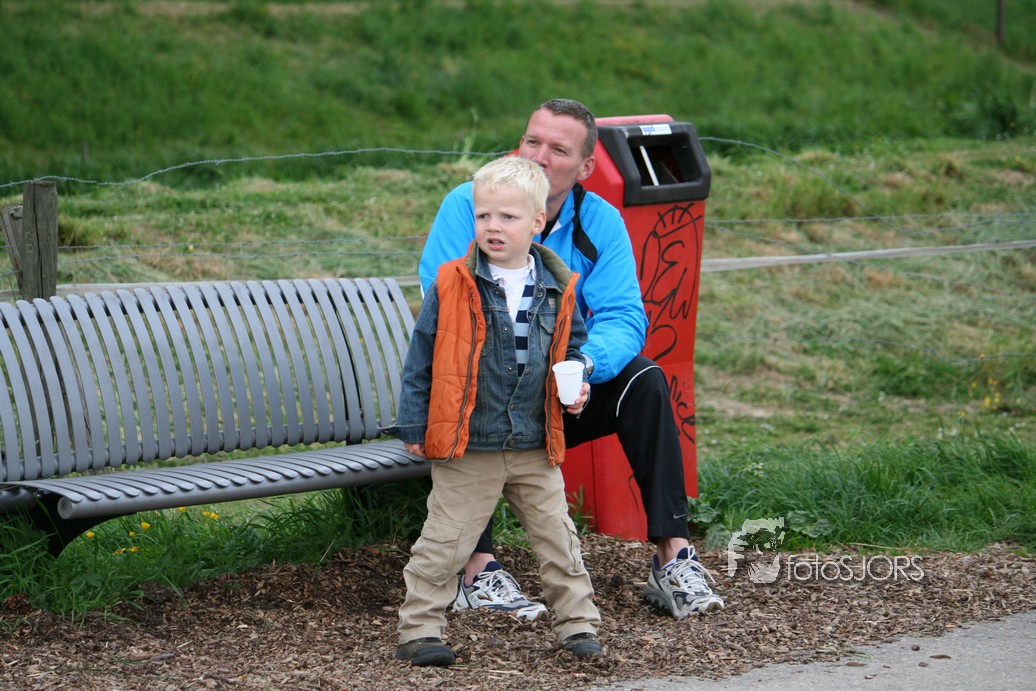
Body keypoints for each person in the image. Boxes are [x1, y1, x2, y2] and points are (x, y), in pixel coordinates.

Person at [418, 98, 725, 621]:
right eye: (532, 141)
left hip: (558, 397)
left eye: (558, 150)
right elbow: (445, 302)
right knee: (469, 385)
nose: (539, 157)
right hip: (481, 389)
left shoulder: (599, 219)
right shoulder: (466, 204)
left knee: (645, 380)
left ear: (585, 168)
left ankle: (673, 556)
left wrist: (582, 365)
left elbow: (624, 317)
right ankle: (476, 571)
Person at [388, 156, 603, 667]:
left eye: (507, 217)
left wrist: (578, 383)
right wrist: (415, 423)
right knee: (444, 541)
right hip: (470, 441)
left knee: (558, 539)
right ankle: (419, 630)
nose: (493, 226)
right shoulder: (452, 282)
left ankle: (578, 626)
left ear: (537, 222)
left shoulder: (559, 285)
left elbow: (572, 348)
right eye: (484, 216)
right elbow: (422, 357)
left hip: (534, 440)